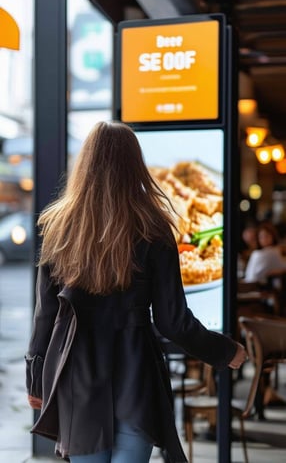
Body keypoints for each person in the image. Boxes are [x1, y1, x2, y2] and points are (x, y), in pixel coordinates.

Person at [25, 121, 246, 463]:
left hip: (78, 370)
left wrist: (36, 377)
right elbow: (173, 321)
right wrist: (224, 350)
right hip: (136, 370)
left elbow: (46, 315)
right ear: (135, 165)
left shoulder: (60, 227)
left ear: (85, 165)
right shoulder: (153, 226)